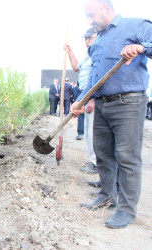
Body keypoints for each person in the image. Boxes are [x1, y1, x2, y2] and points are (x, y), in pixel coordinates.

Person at [71, 0, 152, 229]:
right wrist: (81, 99)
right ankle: (107, 195)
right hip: (103, 104)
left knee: (127, 157)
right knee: (104, 154)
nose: (89, 20)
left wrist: (141, 48)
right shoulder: (100, 41)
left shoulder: (135, 26)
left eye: (91, 15)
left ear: (106, 9)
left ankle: (126, 210)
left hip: (129, 102)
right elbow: (96, 77)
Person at [65, 27, 98, 169]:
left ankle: (96, 163)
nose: (87, 41)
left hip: (92, 95)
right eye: (85, 38)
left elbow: (99, 77)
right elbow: (76, 67)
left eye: (90, 37)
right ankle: (94, 160)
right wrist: (70, 52)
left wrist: (92, 99)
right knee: (88, 130)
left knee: (93, 131)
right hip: (84, 94)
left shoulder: (99, 53)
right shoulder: (87, 55)